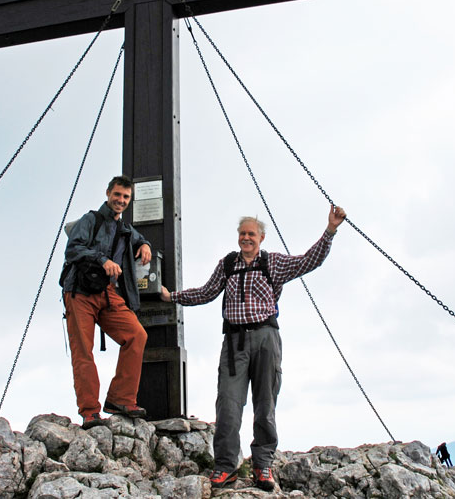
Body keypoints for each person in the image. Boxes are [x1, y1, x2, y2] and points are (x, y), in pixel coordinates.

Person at [161, 205, 347, 491]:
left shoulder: (273, 263)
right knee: (228, 404)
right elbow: (206, 292)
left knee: (265, 404)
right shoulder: (228, 264)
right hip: (234, 343)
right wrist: (171, 296)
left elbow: (309, 261)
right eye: (242, 233)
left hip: (266, 338)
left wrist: (330, 230)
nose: (246, 238)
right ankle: (225, 468)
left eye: (251, 234)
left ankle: (263, 467)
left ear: (261, 237)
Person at [62, 175, 152, 428]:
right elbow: (73, 249)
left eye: (125, 197)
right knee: (83, 351)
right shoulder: (90, 220)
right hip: (79, 290)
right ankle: (90, 411)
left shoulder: (125, 229)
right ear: (108, 193)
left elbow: (138, 238)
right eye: (117, 195)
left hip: (107, 293)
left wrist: (144, 244)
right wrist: (102, 260)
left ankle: (121, 399)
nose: (120, 201)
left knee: (137, 335)